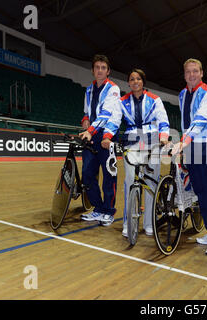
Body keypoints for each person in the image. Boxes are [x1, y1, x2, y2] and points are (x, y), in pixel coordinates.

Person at [102, 68, 170, 237]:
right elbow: (114, 121)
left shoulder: (155, 99)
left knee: (151, 183)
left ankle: (149, 223)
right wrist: (106, 136)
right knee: (130, 181)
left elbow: (163, 120)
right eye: (131, 79)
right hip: (131, 142)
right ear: (129, 82)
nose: (135, 82)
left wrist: (163, 137)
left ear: (143, 82)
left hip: (152, 142)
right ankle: (128, 223)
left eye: (138, 79)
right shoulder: (122, 101)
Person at [171, 58, 207, 257]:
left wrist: (182, 142)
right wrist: (185, 146)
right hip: (191, 148)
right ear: (184, 74)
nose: (192, 75)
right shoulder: (182, 94)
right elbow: (186, 123)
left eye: (195, 71)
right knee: (200, 194)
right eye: (188, 71)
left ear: (201, 73)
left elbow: (201, 120)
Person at [79, 54, 121, 227]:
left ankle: (109, 211)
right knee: (88, 174)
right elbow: (87, 112)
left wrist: (90, 130)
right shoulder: (88, 90)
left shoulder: (113, 89)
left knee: (108, 176)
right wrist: (85, 120)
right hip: (91, 136)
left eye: (103, 68)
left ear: (108, 71)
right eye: (97, 67)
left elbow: (106, 114)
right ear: (92, 70)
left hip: (106, 136)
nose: (100, 70)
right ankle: (98, 208)